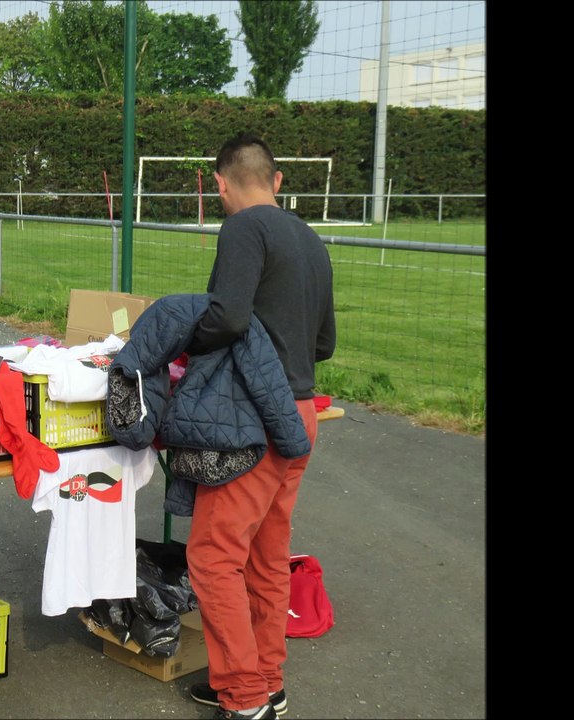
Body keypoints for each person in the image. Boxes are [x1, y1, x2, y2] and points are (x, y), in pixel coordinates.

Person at [184, 134, 336, 720]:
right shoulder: (310, 238)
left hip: (254, 419)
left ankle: (244, 699)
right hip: (302, 413)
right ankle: (266, 680)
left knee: (214, 556)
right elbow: (324, 342)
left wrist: (185, 343)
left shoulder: (244, 228)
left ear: (221, 183)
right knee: (265, 557)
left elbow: (226, 316)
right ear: (276, 181)